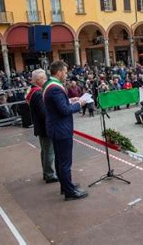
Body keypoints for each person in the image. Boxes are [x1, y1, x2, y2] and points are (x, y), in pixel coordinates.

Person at [44, 61, 88, 201]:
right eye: (65, 71)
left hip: (56, 128)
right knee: (65, 162)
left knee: (60, 160)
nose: (66, 74)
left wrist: (70, 100)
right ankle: (69, 192)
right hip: (61, 129)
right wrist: (78, 104)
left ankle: (66, 185)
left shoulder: (49, 85)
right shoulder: (55, 88)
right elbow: (64, 111)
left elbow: (58, 105)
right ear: (59, 72)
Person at [27, 69, 59, 183]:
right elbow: (44, 112)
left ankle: (46, 172)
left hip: (41, 126)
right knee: (49, 151)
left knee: (45, 151)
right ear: (38, 80)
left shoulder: (33, 91)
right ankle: (49, 174)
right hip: (45, 127)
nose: (46, 80)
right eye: (44, 78)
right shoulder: (39, 93)